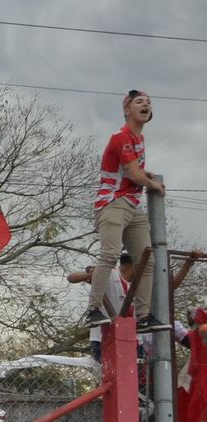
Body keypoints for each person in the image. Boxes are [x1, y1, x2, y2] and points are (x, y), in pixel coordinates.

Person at [86, 90, 164, 328]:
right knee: (110, 254)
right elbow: (132, 173)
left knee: (146, 260)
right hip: (112, 204)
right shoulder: (121, 136)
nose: (146, 105)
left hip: (131, 205)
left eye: (149, 102)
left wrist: (145, 175)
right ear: (127, 110)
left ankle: (143, 316)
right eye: (139, 102)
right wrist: (152, 183)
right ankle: (93, 310)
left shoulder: (139, 139)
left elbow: (132, 171)